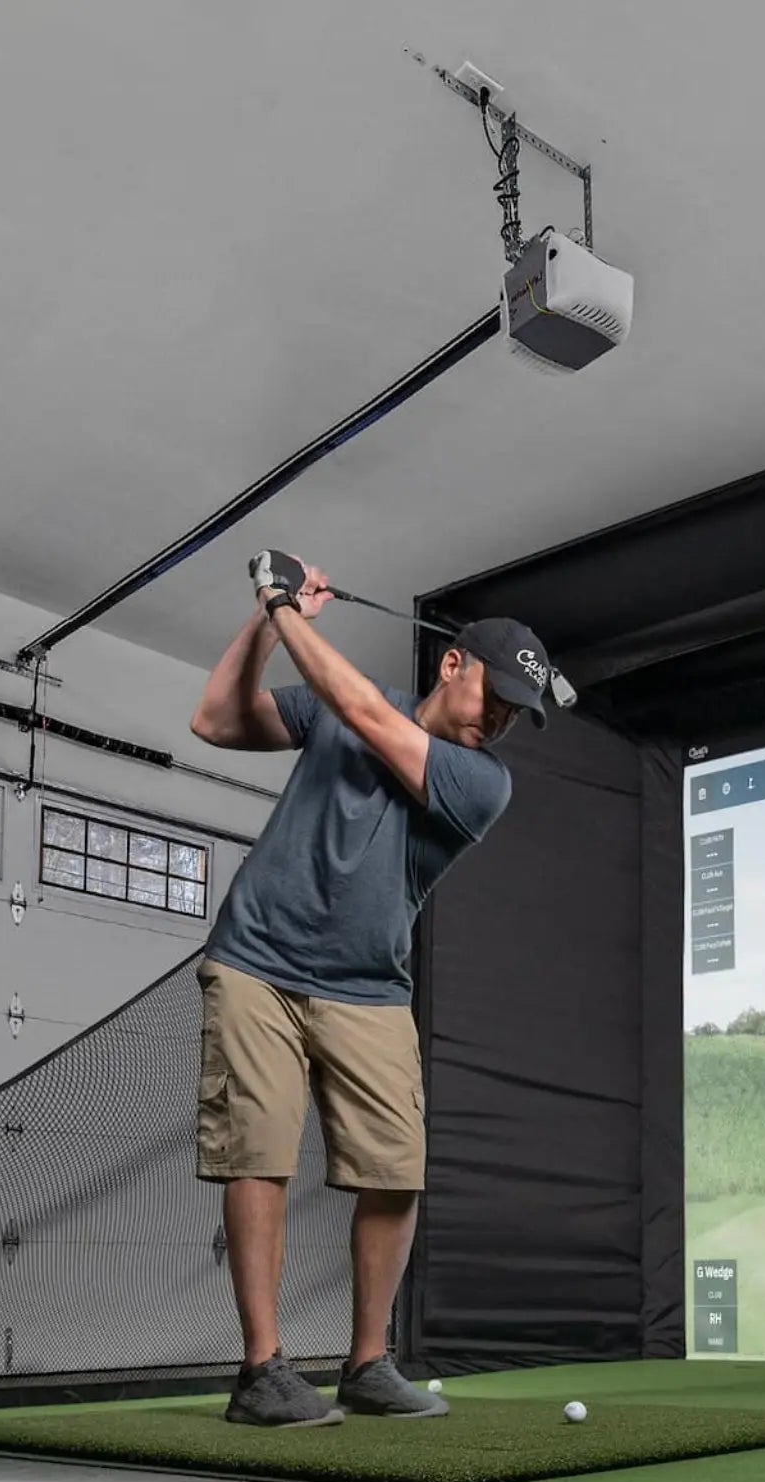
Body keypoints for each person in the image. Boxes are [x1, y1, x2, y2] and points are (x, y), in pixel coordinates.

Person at [187, 553, 558, 1427]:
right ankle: (263, 1370)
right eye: (494, 693)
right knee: (259, 1154)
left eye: (518, 711)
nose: (501, 718)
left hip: (369, 986)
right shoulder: (338, 702)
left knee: (396, 1169)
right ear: (453, 664)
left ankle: (366, 1363)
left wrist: (283, 606)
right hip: (256, 962)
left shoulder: (482, 780)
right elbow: (214, 720)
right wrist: (267, 620)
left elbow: (360, 709)